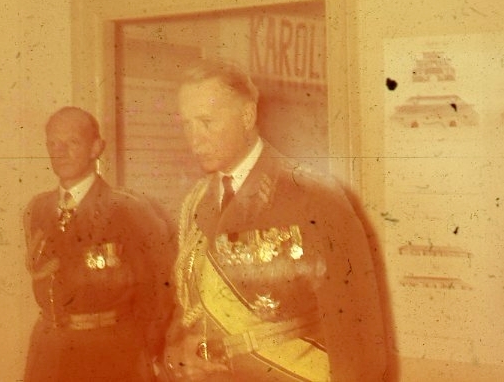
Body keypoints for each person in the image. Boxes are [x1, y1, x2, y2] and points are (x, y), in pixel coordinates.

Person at [161, 58, 392, 381]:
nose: (194, 139)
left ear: (247, 116)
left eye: (206, 122)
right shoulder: (195, 203)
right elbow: (186, 309)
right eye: (187, 125)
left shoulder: (313, 196)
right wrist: (176, 354)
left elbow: (357, 331)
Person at [23, 106, 174, 382]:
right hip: (49, 351)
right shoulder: (38, 210)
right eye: (53, 143)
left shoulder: (128, 209)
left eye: (72, 142)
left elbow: (157, 293)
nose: (60, 152)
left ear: (96, 148)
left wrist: (148, 354)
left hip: (110, 352)